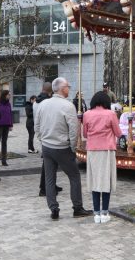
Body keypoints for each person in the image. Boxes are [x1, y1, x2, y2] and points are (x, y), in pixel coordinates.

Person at [34, 77, 92, 220]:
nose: (69, 89)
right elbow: (74, 130)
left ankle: (53, 208)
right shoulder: (67, 106)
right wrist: (72, 148)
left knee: (49, 178)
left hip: (47, 146)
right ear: (62, 88)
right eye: (68, 86)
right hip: (62, 147)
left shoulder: (43, 104)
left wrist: (42, 139)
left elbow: (37, 126)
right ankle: (77, 208)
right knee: (74, 176)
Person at [82, 91, 123, 223]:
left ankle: (96, 214)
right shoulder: (111, 114)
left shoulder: (87, 114)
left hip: (92, 150)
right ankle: (105, 212)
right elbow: (118, 132)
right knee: (106, 181)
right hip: (107, 150)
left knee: (95, 181)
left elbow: (85, 134)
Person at [36, 82, 62, 197]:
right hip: (49, 134)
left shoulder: (37, 101)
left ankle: (50, 185)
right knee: (48, 165)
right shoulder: (46, 102)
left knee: (49, 164)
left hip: (44, 134)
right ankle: (44, 188)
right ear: (50, 91)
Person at [0, 90, 13, 166]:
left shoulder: (9, 104)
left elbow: (10, 114)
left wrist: (11, 124)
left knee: (4, 143)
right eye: (8, 95)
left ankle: (4, 161)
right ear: (4, 95)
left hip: (7, 125)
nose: (10, 96)